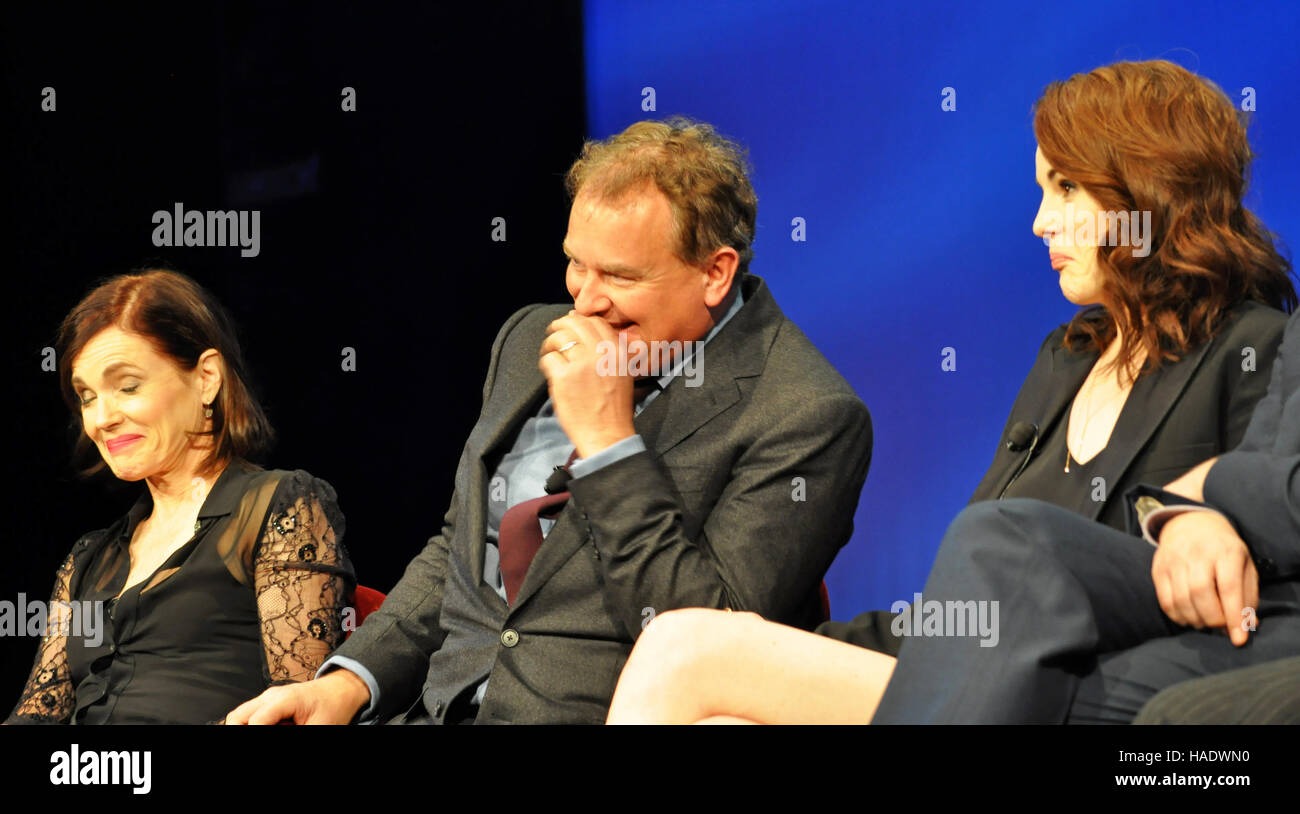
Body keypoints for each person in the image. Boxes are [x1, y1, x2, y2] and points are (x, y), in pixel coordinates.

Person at [605, 59, 1297, 724]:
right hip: (960, 666)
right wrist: (810, 644)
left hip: (1086, 684)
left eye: (1065, 190)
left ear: (1147, 190)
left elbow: (1253, 563)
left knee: (682, 653)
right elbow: (969, 594)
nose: (1040, 222)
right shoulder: (1066, 359)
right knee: (718, 700)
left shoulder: (1253, 348)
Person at [225, 117, 873, 725]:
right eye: (576, 263)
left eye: (618, 275)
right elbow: (461, 550)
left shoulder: (808, 417)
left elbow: (712, 647)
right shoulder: (530, 338)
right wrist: (347, 683)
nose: (584, 301)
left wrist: (608, 444)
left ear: (714, 272)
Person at [4, 269, 355, 725]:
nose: (101, 419)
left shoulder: (279, 506)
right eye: (87, 396)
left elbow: (297, 706)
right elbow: (36, 713)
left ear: (207, 377)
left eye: (127, 387)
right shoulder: (89, 558)